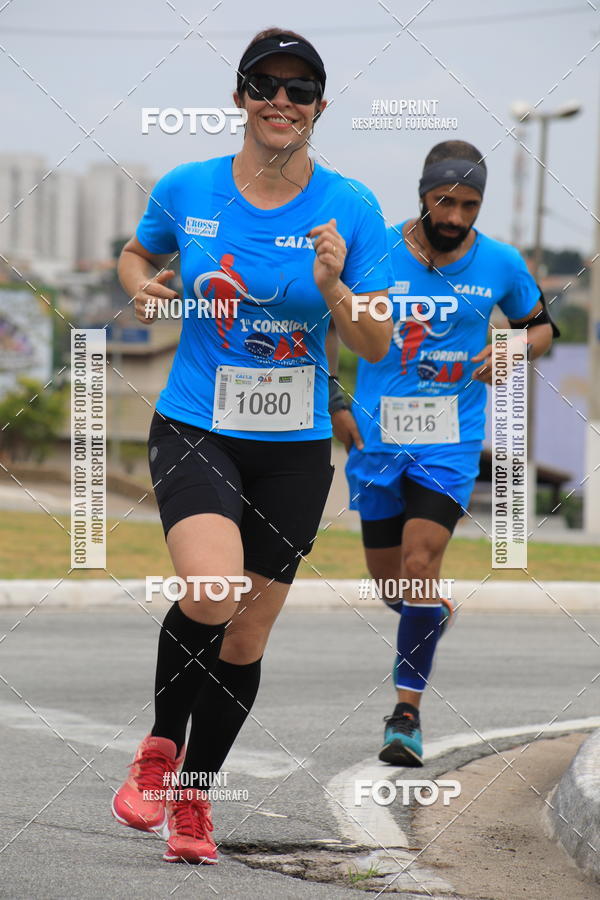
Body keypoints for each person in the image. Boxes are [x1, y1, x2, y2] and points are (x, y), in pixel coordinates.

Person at [111, 27, 393, 864]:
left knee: (245, 634)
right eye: (263, 84)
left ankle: (194, 804)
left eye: (299, 89)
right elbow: (136, 255)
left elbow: (375, 344)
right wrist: (146, 292)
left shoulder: (353, 207)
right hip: (197, 422)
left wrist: (338, 289)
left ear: (319, 108)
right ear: (239, 97)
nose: (281, 100)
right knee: (210, 589)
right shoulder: (188, 186)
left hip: (295, 446)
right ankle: (160, 750)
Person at [329, 140, 559, 767]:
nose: (456, 217)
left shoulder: (503, 263)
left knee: (420, 560)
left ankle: (405, 715)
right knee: (393, 586)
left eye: (469, 205)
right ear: (424, 194)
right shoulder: (375, 251)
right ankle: (427, 614)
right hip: (378, 438)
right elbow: (328, 317)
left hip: (450, 439)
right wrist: (334, 398)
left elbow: (541, 327)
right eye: (445, 201)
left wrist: (514, 350)